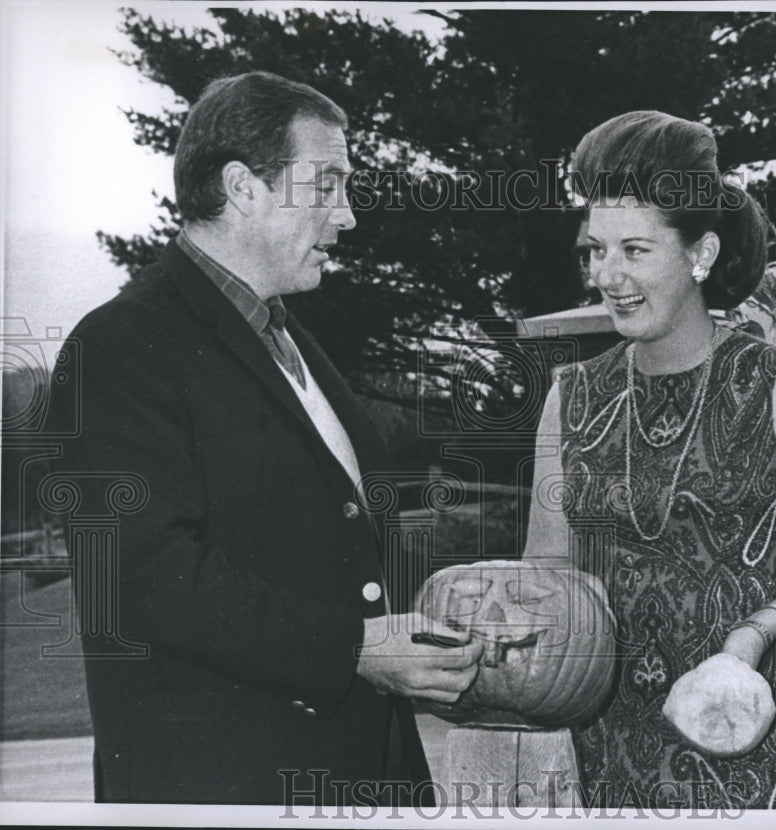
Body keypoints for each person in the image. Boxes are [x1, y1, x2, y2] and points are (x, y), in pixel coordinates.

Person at [45, 71, 482, 806]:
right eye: (327, 185)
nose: (347, 216)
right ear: (243, 187)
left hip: (360, 775)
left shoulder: (289, 339)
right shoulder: (118, 347)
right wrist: (353, 648)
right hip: (225, 784)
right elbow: (138, 579)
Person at [521, 111, 776, 809]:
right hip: (609, 747)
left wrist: (758, 630)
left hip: (748, 736)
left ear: (701, 254)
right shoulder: (571, 396)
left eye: (634, 249)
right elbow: (548, 573)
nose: (608, 275)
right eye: (594, 250)